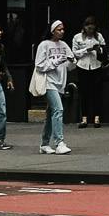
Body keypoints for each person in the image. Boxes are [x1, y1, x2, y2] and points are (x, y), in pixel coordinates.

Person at [32, 19, 73, 154]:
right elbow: (39, 65)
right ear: (52, 31)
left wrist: (71, 61)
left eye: (62, 29)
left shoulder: (64, 45)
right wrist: (56, 62)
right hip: (48, 82)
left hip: (60, 82)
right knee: (58, 110)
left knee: (51, 113)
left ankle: (44, 143)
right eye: (59, 29)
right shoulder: (44, 45)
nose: (62, 32)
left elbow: (71, 65)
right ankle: (59, 142)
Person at [69, 15, 109, 129]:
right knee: (84, 93)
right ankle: (84, 118)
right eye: (88, 27)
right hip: (82, 66)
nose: (90, 30)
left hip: (96, 66)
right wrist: (87, 50)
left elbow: (105, 50)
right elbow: (74, 53)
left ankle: (97, 118)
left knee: (97, 93)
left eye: (92, 28)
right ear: (84, 27)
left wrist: (99, 49)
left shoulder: (99, 36)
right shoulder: (77, 37)